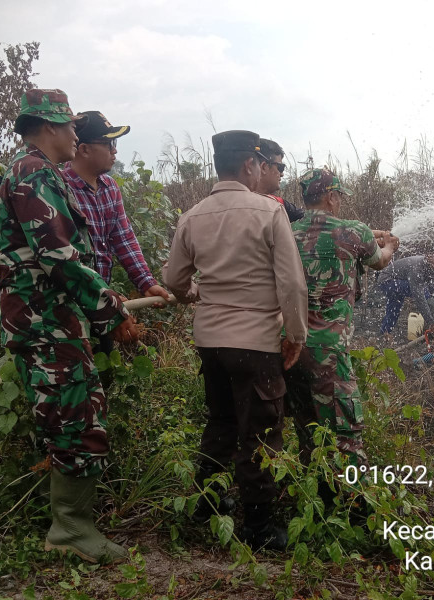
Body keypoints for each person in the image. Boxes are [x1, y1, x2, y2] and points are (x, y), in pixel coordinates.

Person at [0, 89, 138, 564]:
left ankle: (68, 521)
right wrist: (111, 311)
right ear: (49, 127)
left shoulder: (38, 172)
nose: (76, 134)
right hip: (45, 320)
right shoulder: (34, 173)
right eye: (71, 126)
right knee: (77, 418)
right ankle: (71, 529)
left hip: (49, 318)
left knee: (68, 414)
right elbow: (58, 255)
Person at [165, 130, 308, 551]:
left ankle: (207, 502)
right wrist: (295, 335)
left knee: (222, 420)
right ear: (250, 165)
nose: (263, 170)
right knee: (260, 432)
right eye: (262, 164)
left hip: (210, 342)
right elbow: (292, 283)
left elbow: (174, 280)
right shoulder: (269, 211)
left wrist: (194, 293)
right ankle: (258, 527)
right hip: (255, 343)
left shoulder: (192, 216)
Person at [286, 167, 399, 475]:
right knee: (345, 432)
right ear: (331, 197)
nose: (340, 202)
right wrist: (390, 244)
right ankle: (352, 495)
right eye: (339, 196)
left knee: (307, 427)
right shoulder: (354, 231)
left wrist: (373, 235)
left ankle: (314, 487)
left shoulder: (286, 232)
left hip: (290, 347)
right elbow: (380, 260)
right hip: (330, 351)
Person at [62, 111, 170, 359]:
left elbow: (123, 239)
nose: (115, 150)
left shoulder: (109, 187)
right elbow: (69, 258)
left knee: (104, 365)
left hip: (103, 301)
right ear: (84, 149)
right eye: (109, 143)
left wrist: (146, 283)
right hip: (72, 302)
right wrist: (106, 298)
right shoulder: (61, 189)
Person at [377, 245, 434, 335]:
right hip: (387, 281)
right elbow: (419, 297)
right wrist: (431, 322)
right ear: (427, 255)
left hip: (397, 282)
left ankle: (384, 334)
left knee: (394, 310)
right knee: (422, 291)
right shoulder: (417, 267)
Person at [254, 138, 304, 222]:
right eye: (280, 167)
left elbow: (306, 219)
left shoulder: (280, 204)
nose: (282, 174)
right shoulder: (277, 206)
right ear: (264, 167)